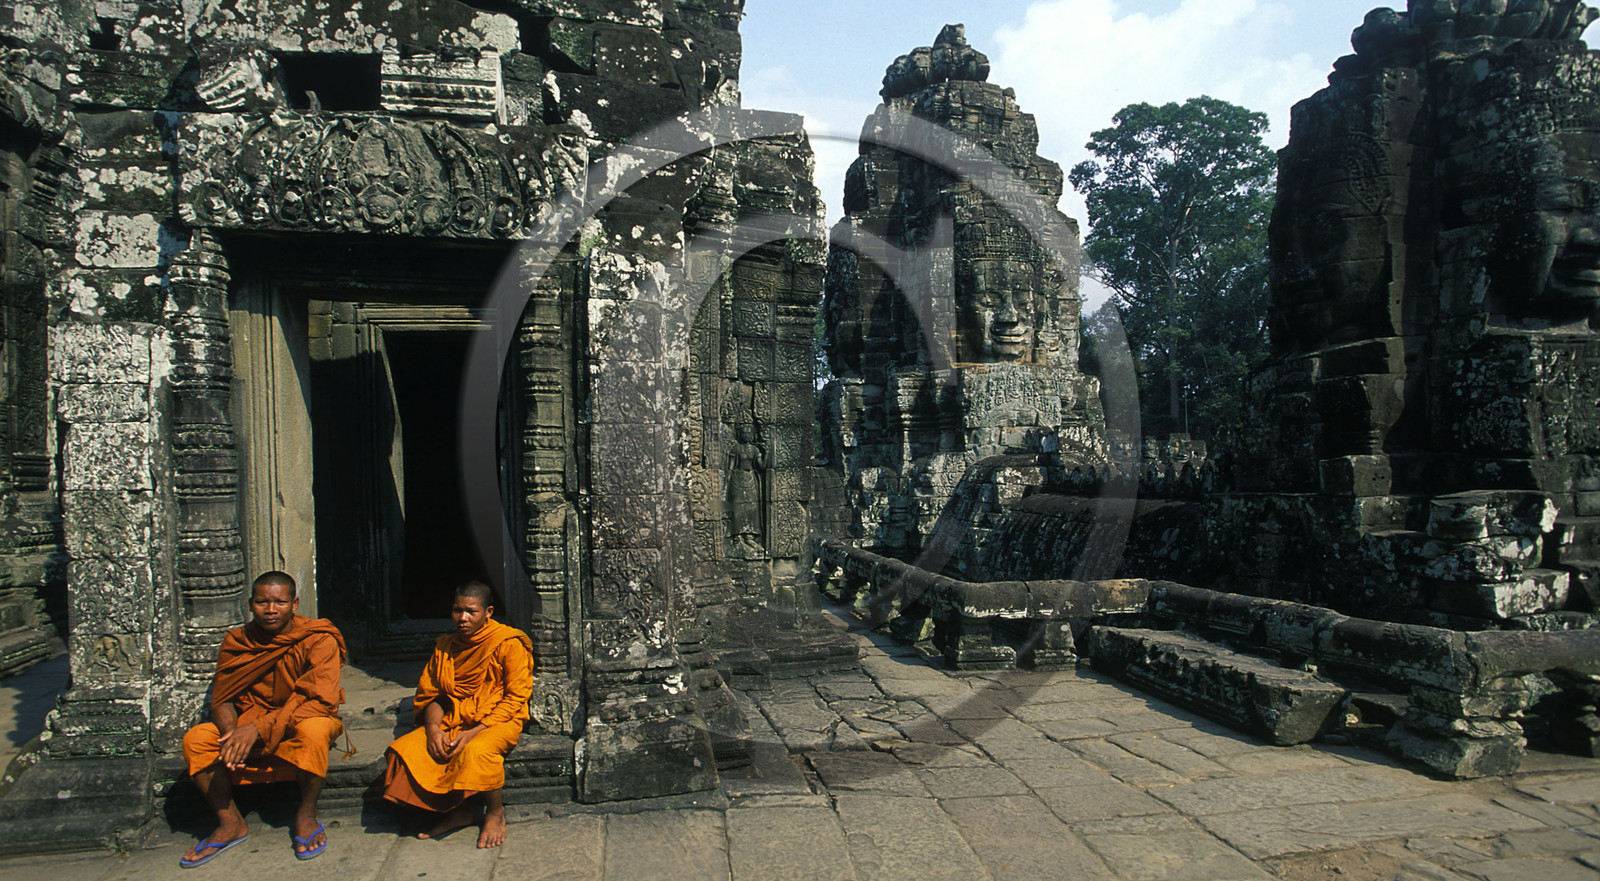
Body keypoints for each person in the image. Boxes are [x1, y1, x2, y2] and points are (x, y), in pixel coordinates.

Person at [180, 571, 346, 867]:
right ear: (250, 604)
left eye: (279, 602)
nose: (270, 610)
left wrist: (256, 730)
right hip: (249, 722)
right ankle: (230, 822)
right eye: (262, 602)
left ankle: (306, 815)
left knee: (316, 730)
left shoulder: (318, 637)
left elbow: (320, 699)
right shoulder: (237, 641)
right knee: (197, 740)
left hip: (300, 717)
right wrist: (233, 736)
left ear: (294, 604)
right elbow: (222, 698)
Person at [382, 581, 533, 848]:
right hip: (453, 719)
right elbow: (433, 696)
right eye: (457, 610)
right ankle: (458, 811)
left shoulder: (508, 643)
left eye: (471, 611)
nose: (462, 618)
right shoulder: (444, 647)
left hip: (497, 720)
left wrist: (473, 732)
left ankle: (495, 813)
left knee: (477, 751)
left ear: (488, 612)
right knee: (404, 750)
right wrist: (433, 729)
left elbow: (516, 697)